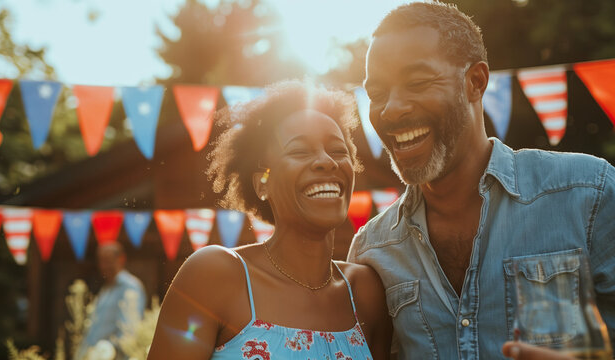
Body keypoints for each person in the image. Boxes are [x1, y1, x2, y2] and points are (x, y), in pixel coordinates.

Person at [347, 2, 615, 359]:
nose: (391, 108)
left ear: (475, 82)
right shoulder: (371, 251)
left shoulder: (588, 192)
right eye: (377, 94)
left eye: (417, 82)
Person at [148, 80, 392, 359]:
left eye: (338, 151)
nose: (327, 161)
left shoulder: (364, 292)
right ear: (262, 184)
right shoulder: (216, 276)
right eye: (300, 151)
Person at [78, 242, 146, 360]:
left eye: (108, 261)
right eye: (101, 261)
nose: (104, 266)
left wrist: (109, 351)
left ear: (121, 259)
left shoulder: (130, 287)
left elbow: (129, 331)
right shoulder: (106, 290)